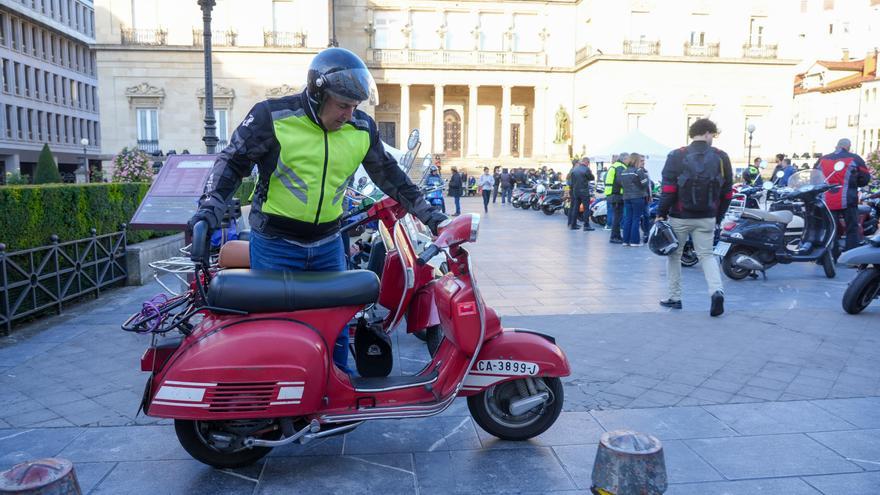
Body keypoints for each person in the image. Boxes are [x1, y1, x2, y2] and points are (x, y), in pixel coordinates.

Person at [187, 47, 446, 373]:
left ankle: (333, 397)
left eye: (354, 106)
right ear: (316, 95)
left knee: (335, 324)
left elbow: (390, 176)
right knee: (278, 328)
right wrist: (209, 207)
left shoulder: (361, 128)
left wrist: (431, 215)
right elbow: (232, 162)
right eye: (342, 105)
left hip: (327, 243)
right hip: (275, 244)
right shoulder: (273, 117)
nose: (349, 114)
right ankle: (282, 400)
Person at [656, 118, 733, 317]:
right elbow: (727, 192)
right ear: (707, 133)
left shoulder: (676, 155)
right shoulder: (721, 157)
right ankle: (716, 291)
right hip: (708, 215)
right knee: (707, 255)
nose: (713, 139)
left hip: (680, 215)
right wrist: (719, 216)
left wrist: (660, 213)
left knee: (675, 255)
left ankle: (675, 297)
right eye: (713, 135)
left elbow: (669, 189)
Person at [817, 138, 871, 253]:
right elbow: (865, 178)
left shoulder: (822, 159)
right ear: (848, 146)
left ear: (837, 145)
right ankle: (851, 256)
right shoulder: (855, 158)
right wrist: (855, 183)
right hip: (848, 199)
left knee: (831, 228)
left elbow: (815, 177)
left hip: (827, 200)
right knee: (852, 228)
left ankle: (831, 255)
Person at [620, 153, 650, 246]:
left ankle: (625, 241)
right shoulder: (638, 171)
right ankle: (634, 241)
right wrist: (646, 178)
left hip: (626, 197)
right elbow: (645, 183)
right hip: (637, 197)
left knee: (628, 218)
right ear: (636, 160)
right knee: (636, 219)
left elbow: (621, 184)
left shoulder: (624, 171)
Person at [604, 152, 629, 243]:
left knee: (617, 217)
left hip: (612, 194)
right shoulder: (620, 167)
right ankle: (614, 237)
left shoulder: (615, 165)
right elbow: (620, 181)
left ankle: (617, 236)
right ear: (624, 159)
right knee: (617, 217)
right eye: (628, 159)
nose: (629, 161)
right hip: (617, 195)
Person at [568, 157, 595, 231]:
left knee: (575, 207)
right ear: (587, 162)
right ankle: (586, 225)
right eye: (588, 163)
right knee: (586, 208)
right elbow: (592, 178)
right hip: (584, 191)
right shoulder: (586, 169)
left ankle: (573, 224)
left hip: (575, 191)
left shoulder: (574, 169)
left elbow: (571, 181)